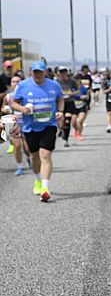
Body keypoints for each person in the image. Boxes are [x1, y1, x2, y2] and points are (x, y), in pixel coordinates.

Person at [10, 61, 64, 202]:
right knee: (34, 156)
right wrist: (23, 109)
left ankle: (45, 188)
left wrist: (60, 111)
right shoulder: (23, 85)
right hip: (30, 126)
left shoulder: (54, 85)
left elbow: (60, 99)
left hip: (49, 124)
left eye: (40, 72)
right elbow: (13, 103)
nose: (37, 75)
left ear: (45, 72)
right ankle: (38, 180)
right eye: (35, 72)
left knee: (45, 154)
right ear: (31, 72)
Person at [2, 75, 31, 175]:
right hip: (13, 123)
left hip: (26, 122)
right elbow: (3, 108)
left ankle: (29, 158)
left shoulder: (27, 94)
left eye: (18, 81)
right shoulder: (8, 96)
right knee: (17, 146)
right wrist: (6, 110)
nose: (15, 84)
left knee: (27, 148)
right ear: (10, 84)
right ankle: (20, 167)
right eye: (13, 82)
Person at [56, 67, 80, 147]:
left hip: (69, 102)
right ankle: (61, 130)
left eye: (64, 72)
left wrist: (71, 94)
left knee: (67, 120)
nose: (62, 74)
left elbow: (78, 90)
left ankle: (65, 139)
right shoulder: (56, 82)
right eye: (61, 72)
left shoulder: (71, 81)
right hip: (59, 103)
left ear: (66, 73)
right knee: (60, 122)